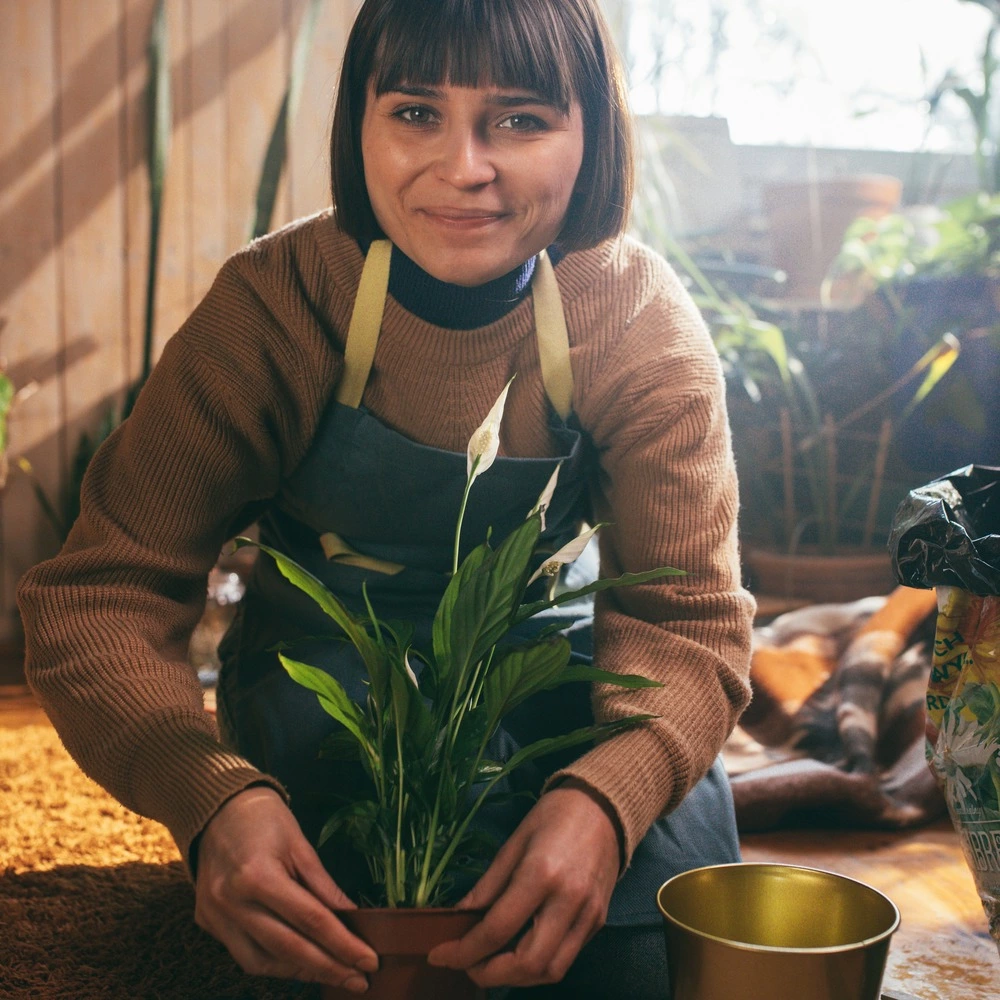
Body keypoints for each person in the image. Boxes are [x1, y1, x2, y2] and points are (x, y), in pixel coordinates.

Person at [16, 0, 755, 996]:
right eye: (415, 113)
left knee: (641, 955)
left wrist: (605, 799)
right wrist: (211, 796)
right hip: (328, 689)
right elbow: (100, 593)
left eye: (520, 120)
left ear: (593, 136)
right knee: (319, 950)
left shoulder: (631, 315)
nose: (463, 167)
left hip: (552, 674)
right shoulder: (277, 303)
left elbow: (684, 616)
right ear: (357, 124)